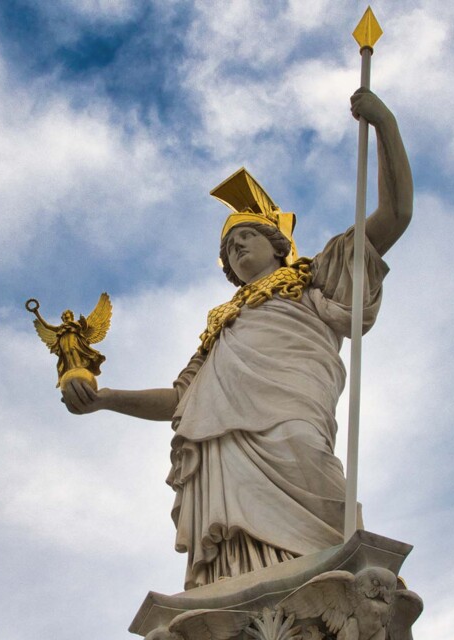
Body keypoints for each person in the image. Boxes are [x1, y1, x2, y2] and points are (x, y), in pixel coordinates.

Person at [61, 90, 413, 590]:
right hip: (223, 445)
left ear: (277, 244)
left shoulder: (314, 280)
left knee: (308, 460)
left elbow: (395, 214)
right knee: (234, 559)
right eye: (228, 246)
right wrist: (105, 399)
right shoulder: (219, 324)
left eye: (245, 235)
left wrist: (384, 124)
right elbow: (183, 399)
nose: (236, 245)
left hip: (291, 411)